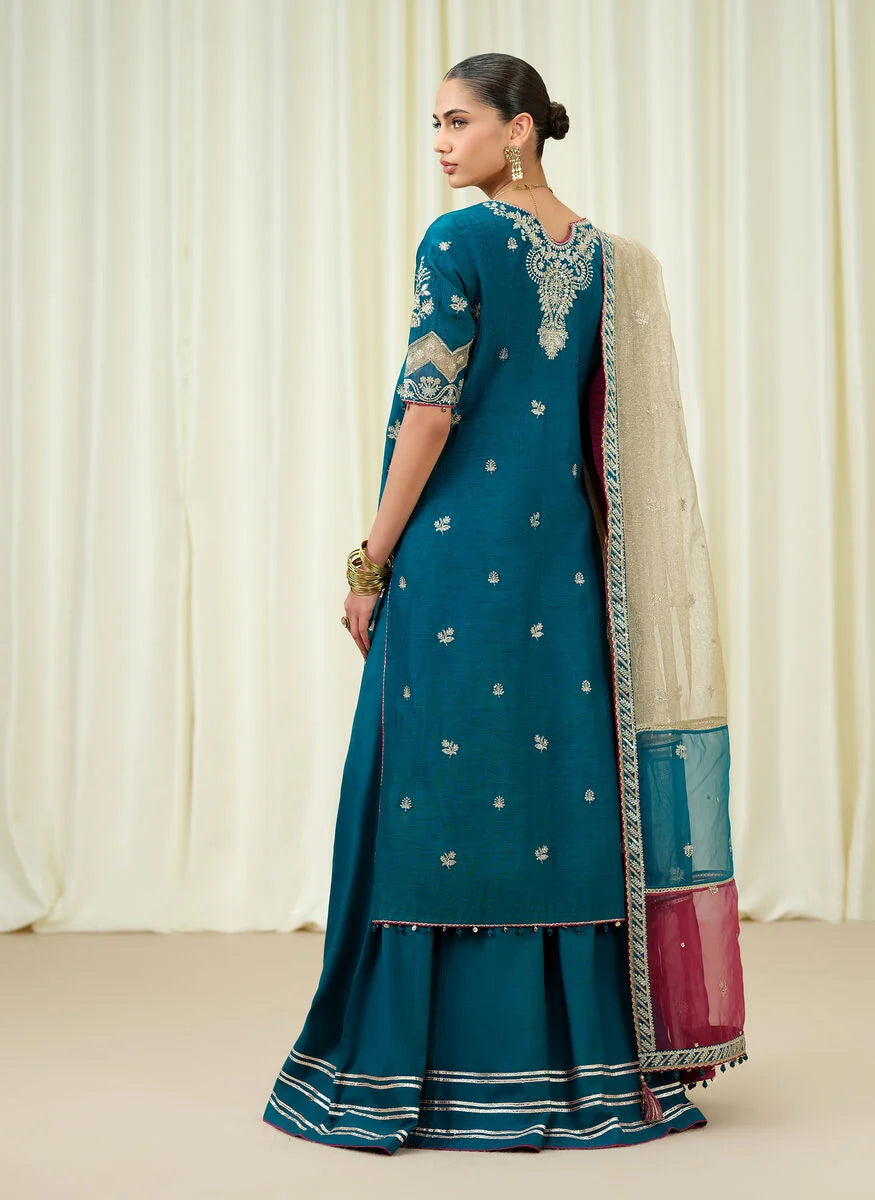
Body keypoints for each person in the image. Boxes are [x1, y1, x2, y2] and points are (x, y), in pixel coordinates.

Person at [263, 52, 746, 1154]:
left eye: (458, 122)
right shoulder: (612, 260)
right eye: (434, 124)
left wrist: (369, 560)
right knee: (558, 788)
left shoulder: (456, 241)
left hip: (456, 558)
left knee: (427, 789)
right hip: (564, 567)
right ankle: (586, 1063)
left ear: (518, 129)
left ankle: (425, 1067)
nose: (440, 144)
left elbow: (428, 410)